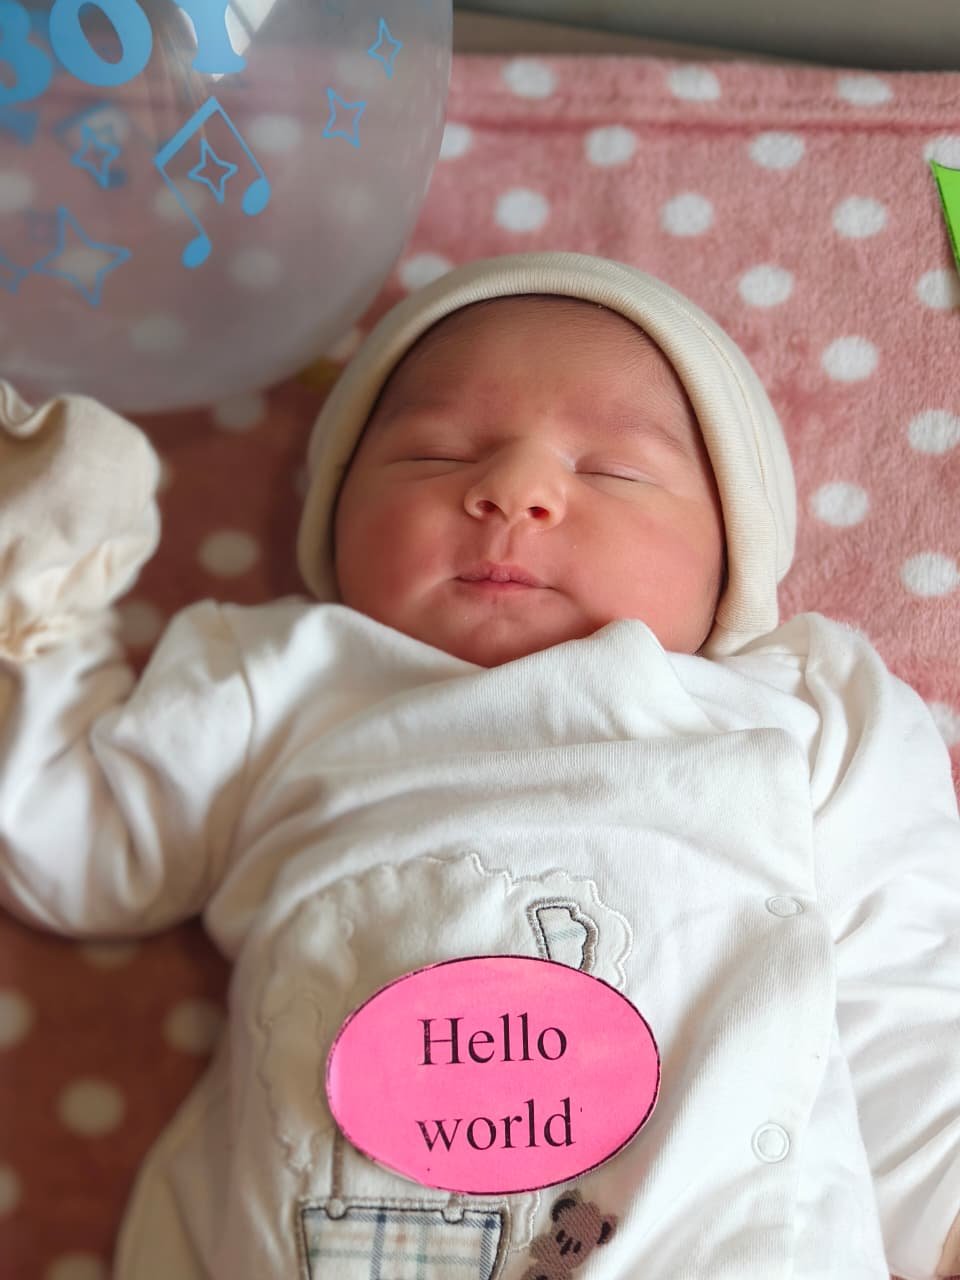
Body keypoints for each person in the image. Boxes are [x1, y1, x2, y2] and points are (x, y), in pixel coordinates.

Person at [1, 251, 958, 1280]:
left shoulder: (797, 708)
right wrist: (42, 572)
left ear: (733, 554)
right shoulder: (283, 680)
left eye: (613, 470)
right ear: (337, 517)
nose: (512, 490)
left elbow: (899, 973)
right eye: (436, 454)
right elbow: (81, 849)